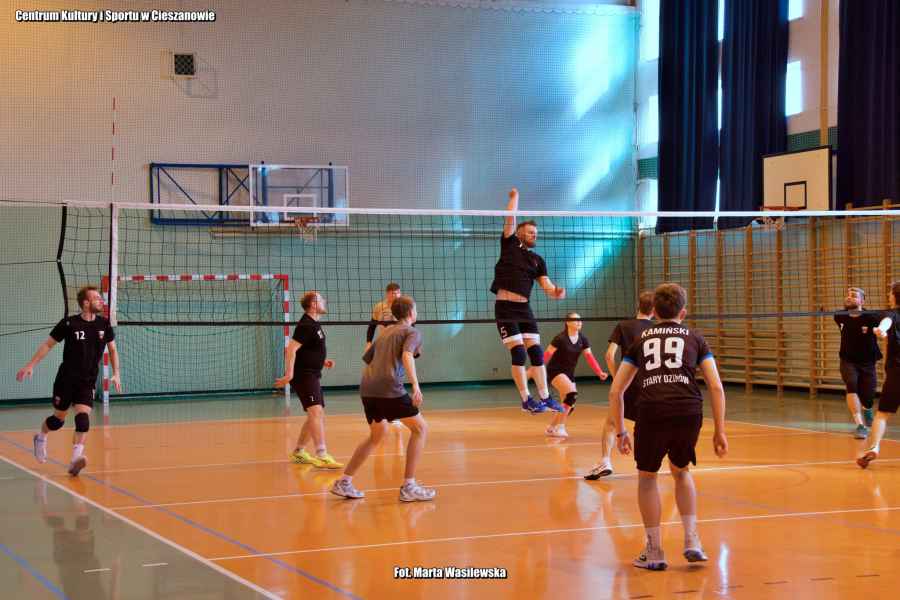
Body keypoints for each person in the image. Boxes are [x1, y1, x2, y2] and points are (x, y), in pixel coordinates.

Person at [609, 283, 727, 570]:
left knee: (647, 478)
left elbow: (616, 391)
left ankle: (654, 551)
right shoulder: (695, 338)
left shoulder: (641, 340)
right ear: (682, 313)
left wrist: (621, 431)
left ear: (654, 312)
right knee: (681, 471)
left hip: (652, 410)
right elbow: (715, 386)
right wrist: (720, 430)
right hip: (688, 409)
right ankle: (692, 540)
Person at [331, 296, 435, 501]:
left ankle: (344, 481)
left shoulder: (385, 332)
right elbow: (407, 355)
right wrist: (415, 385)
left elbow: (369, 358)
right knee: (420, 429)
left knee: (377, 434)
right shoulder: (412, 332)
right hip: (388, 387)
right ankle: (409, 486)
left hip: (367, 387)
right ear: (411, 312)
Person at [16, 286, 121, 476]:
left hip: (87, 381)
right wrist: (30, 365)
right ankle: (41, 437)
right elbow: (48, 345)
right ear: (86, 303)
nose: (101, 300)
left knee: (83, 420)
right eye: (96, 298)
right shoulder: (69, 324)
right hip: (66, 379)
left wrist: (117, 373)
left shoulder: (104, 324)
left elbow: (112, 350)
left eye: (100, 297)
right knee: (58, 421)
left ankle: (75, 460)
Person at [491, 187, 567, 414]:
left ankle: (545, 397)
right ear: (520, 233)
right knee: (518, 353)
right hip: (505, 308)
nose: (535, 235)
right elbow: (510, 218)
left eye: (536, 233)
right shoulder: (510, 243)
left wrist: (556, 292)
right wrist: (514, 198)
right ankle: (526, 399)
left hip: (524, 309)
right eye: (531, 232)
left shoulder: (538, 260)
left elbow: (546, 285)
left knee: (536, 352)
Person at [585, 291, 655, 479]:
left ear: (638, 306)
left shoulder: (623, 326)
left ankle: (605, 460)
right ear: (654, 311)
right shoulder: (656, 329)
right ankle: (660, 461)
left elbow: (609, 355)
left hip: (627, 382)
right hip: (650, 384)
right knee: (650, 424)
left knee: (611, 423)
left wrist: (618, 377)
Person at [275, 291, 342, 469]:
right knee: (316, 412)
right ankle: (321, 454)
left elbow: (308, 348)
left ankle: (299, 451)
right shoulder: (306, 324)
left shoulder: (314, 323)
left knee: (316, 414)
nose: (324, 301)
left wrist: (322, 361)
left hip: (312, 373)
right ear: (313, 304)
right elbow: (291, 349)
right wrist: (289, 374)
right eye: (321, 299)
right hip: (303, 375)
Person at [534, 312, 608, 439]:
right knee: (572, 394)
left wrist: (599, 372)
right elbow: (546, 355)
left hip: (569, 373)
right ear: (567, 322)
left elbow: (589, 357)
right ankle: (560, 427)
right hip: (555, 371)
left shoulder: (583, 339)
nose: (579, 322)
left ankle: (551, 428)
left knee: (569, 404)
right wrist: (536, 369)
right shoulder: (560, 338)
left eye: (580, 320)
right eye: (575, 320)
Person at [857, 282, 899, 469]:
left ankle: (874, 447)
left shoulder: (891, 314)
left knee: (882, 414)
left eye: (890, 293)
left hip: (897, 371)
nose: (888, 295)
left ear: (895, 296)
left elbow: (887, 322)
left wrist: (881, 329)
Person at [834, 287, 883, 438]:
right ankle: (860, 425)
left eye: (854, 296)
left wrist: (880, 331)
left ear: (862, 301)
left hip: (868, 362)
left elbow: (883, 325)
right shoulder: (839, 316)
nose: (849, 297)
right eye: (848, 295)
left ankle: (867, 409)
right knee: (851, 384)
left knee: (868, 395)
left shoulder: (872, 317)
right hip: (848, 360)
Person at [365, 282, 402, 353]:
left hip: (399, 342)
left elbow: (411, 325)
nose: (396, 295)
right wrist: (368, 343)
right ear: (387, 294)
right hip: (384, 342)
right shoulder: (379, 306)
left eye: (398, 293)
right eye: (393, 293)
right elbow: (372, 326)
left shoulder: (404, 306)